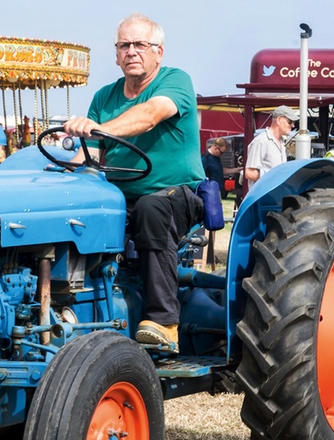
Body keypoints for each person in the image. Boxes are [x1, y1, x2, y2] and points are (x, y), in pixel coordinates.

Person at [64, 13, 204, 351]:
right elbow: (89, 155)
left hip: (176, 195)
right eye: (124, 45)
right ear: (115, 54)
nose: (132, 51)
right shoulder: (104, 97)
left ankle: (164, 322)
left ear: (159, 51)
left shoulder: (175, 81)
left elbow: (151, 114)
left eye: (140, 44)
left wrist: (100, 128)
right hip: (118, 197)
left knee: (151, 206)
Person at [240, 105, 297, 204]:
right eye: (290, 122)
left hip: (276, 199)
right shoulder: (261, 141)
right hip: (262, 201)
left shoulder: (282, 143)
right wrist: (275, 175)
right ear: (279, 119)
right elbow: (249, 173)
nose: (293, 126)